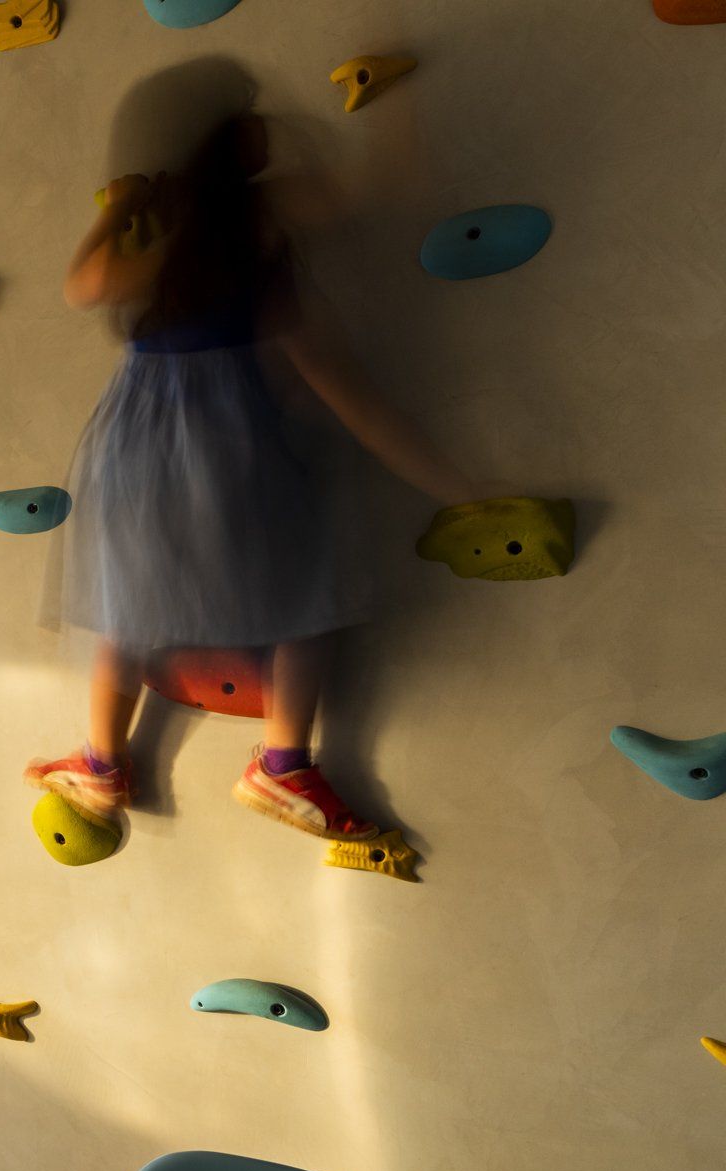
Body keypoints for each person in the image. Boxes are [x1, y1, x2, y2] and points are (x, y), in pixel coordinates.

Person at [28, 58, 476, 841]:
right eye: (252, 113)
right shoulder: (242, 221)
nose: (273, 122)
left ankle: (103, 760)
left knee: (127, 609)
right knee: (304, 589)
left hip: (139, 442)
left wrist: (126, 204)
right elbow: (375, 196)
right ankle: (280, 764)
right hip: (221, 442)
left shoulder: (192, 235)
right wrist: (394, 94)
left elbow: (86, 284)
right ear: (226, 139)